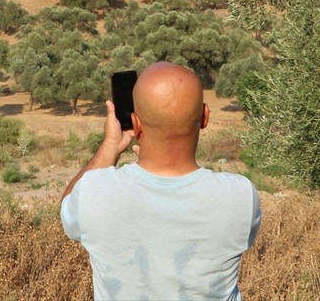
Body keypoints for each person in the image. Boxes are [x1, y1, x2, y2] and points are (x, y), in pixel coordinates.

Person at [61, 61, 261, 300]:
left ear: (136, 124)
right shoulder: (241, 196)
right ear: (205, 116)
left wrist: (111, 145)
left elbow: (67, 208)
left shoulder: (93, 191)